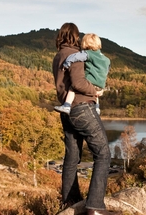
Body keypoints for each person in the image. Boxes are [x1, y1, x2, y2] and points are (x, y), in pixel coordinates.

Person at [53, 23, 113, 215]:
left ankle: (70, 202)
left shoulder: (58, 56)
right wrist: (96, 91)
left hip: (68, 111)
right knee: (103, 154)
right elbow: (79, 83)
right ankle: (95, 207)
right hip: (83, 108)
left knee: (72, 158)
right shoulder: (74, 55)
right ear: (75, 37)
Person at [54, 33, 110, 115]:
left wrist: (67, 63)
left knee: (72, 88)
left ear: (85, 43)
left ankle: (67, 105)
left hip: (89, 82)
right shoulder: (106, 59)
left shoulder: (88, 54)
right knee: (96, 94)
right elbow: (107, 70)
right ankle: (97, 108)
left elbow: (75, 57)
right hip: (100, 86)